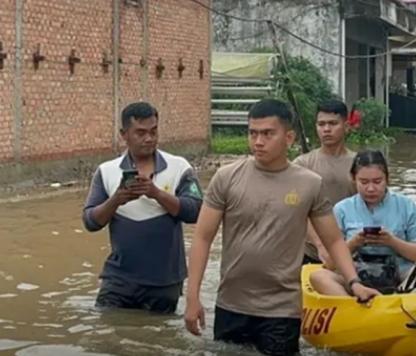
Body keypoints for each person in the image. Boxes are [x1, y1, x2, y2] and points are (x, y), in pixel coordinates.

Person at [184, 99, 379, 356]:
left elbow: (333, 240)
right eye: (253, 133)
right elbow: (202, 237)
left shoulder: (309, 183)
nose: (258, 142)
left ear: (288, 137)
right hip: (231, 304)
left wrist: (354, 283)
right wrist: (192, 296)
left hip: (282, 309)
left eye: (267, 133)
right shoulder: (227, 177)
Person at [82, 101, 202, 314]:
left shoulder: (179, 167)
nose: (149, 138)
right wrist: (116, 199)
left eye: (153, 131)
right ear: (124, 135)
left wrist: (155, 193)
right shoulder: (107, 171)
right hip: (118, 279)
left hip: (164, 281)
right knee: (109, 335)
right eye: (140, 133)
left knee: (158, 339)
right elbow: (90, 221)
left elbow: (195, 212)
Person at [310, 150, 416, 296]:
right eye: (364, 182)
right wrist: (354, 242)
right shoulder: (342, 209)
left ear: (387, 179)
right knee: (318, 277)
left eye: (378, 182)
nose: (371, 188)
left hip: (399, 273)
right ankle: (352, 307)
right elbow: (329, 263)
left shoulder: (406, 205)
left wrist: (392, 241)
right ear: (353, 179)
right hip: (355, 274)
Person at [293, 99, 355, 266]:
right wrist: (320, 245)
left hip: (352, 250)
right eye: (321, 124)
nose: (326, 129)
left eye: (333, 123)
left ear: (346, 126)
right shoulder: (302, 165)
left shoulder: (359, 164)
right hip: (310, 252)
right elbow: (297, 211)